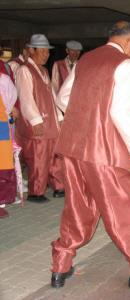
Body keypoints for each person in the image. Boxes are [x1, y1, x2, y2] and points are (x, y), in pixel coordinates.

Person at [52, 21, 130, 289]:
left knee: (76, 209)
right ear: (129, 42)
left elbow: (63, 98)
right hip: (104, 152)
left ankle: (60, 266)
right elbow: (121, 113)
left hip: (73, 149)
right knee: (123, 209)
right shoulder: (126, 64)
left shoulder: (85, 60)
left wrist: (88, 114)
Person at [16, 34, 65, 203]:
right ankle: (35, 192)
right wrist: (35, 120)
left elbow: (51, 96)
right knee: (39, 157)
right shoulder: (24, 70)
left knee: (55, 156)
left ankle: (59, 186)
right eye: (42, 51)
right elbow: (26, 98)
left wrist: (59, 116)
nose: (46, 55)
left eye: (47, 52)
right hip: (38, 123)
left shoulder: (44, 70)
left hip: (51, 123)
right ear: (31, 50)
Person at [0, 73, 18, 218]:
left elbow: (12, 95)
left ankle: (1, 201)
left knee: (3, 162)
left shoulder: (3, 79)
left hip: (1, 124)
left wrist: (7, 110)